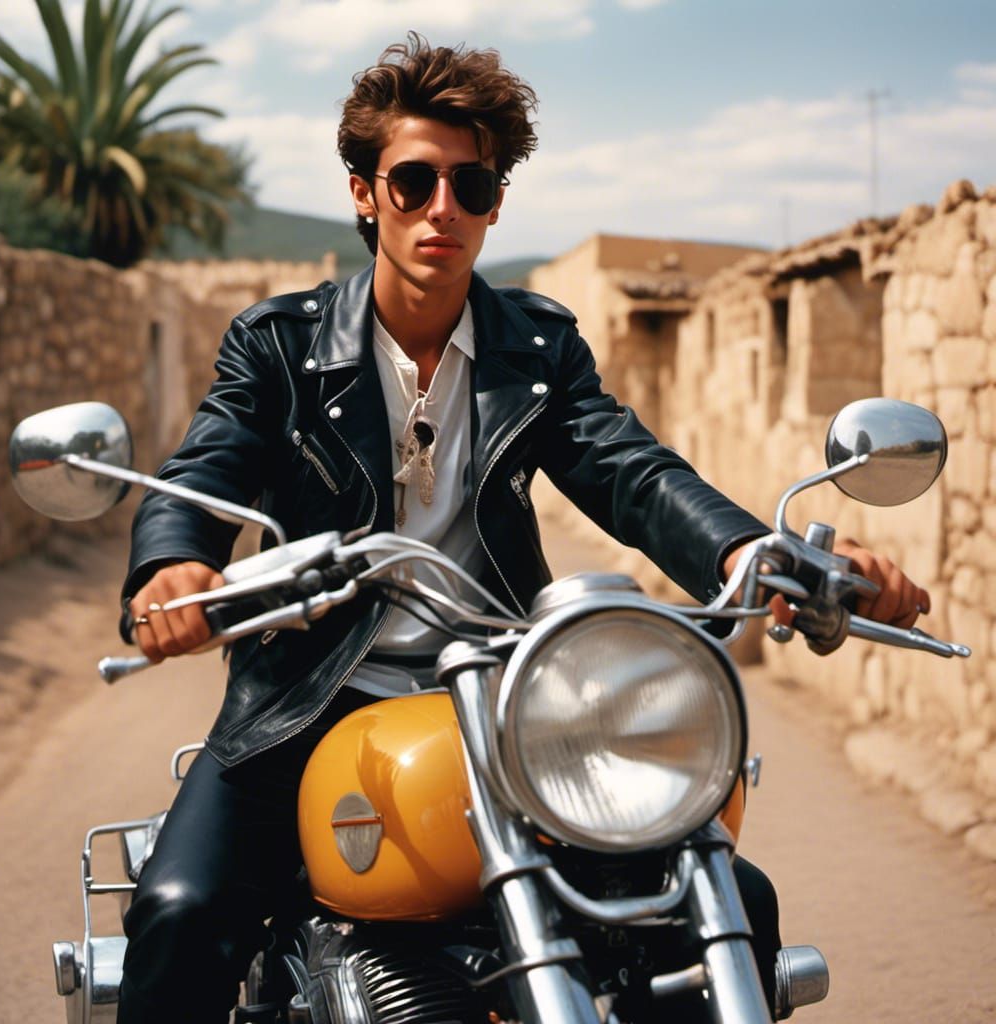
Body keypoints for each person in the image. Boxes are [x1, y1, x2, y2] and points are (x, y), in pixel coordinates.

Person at [117, 35, 929, 1024]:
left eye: (472, 185)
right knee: (178, 908)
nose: (442, 210)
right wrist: (174, 564)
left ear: (497, 201)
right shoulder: (279, 346)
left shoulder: (534, 348)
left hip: (512, 700)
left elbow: (629, 470)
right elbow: (204, 465)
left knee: (719, 900)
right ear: (363, 192)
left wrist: (757, 551)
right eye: (413, 182)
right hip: (308, 697)